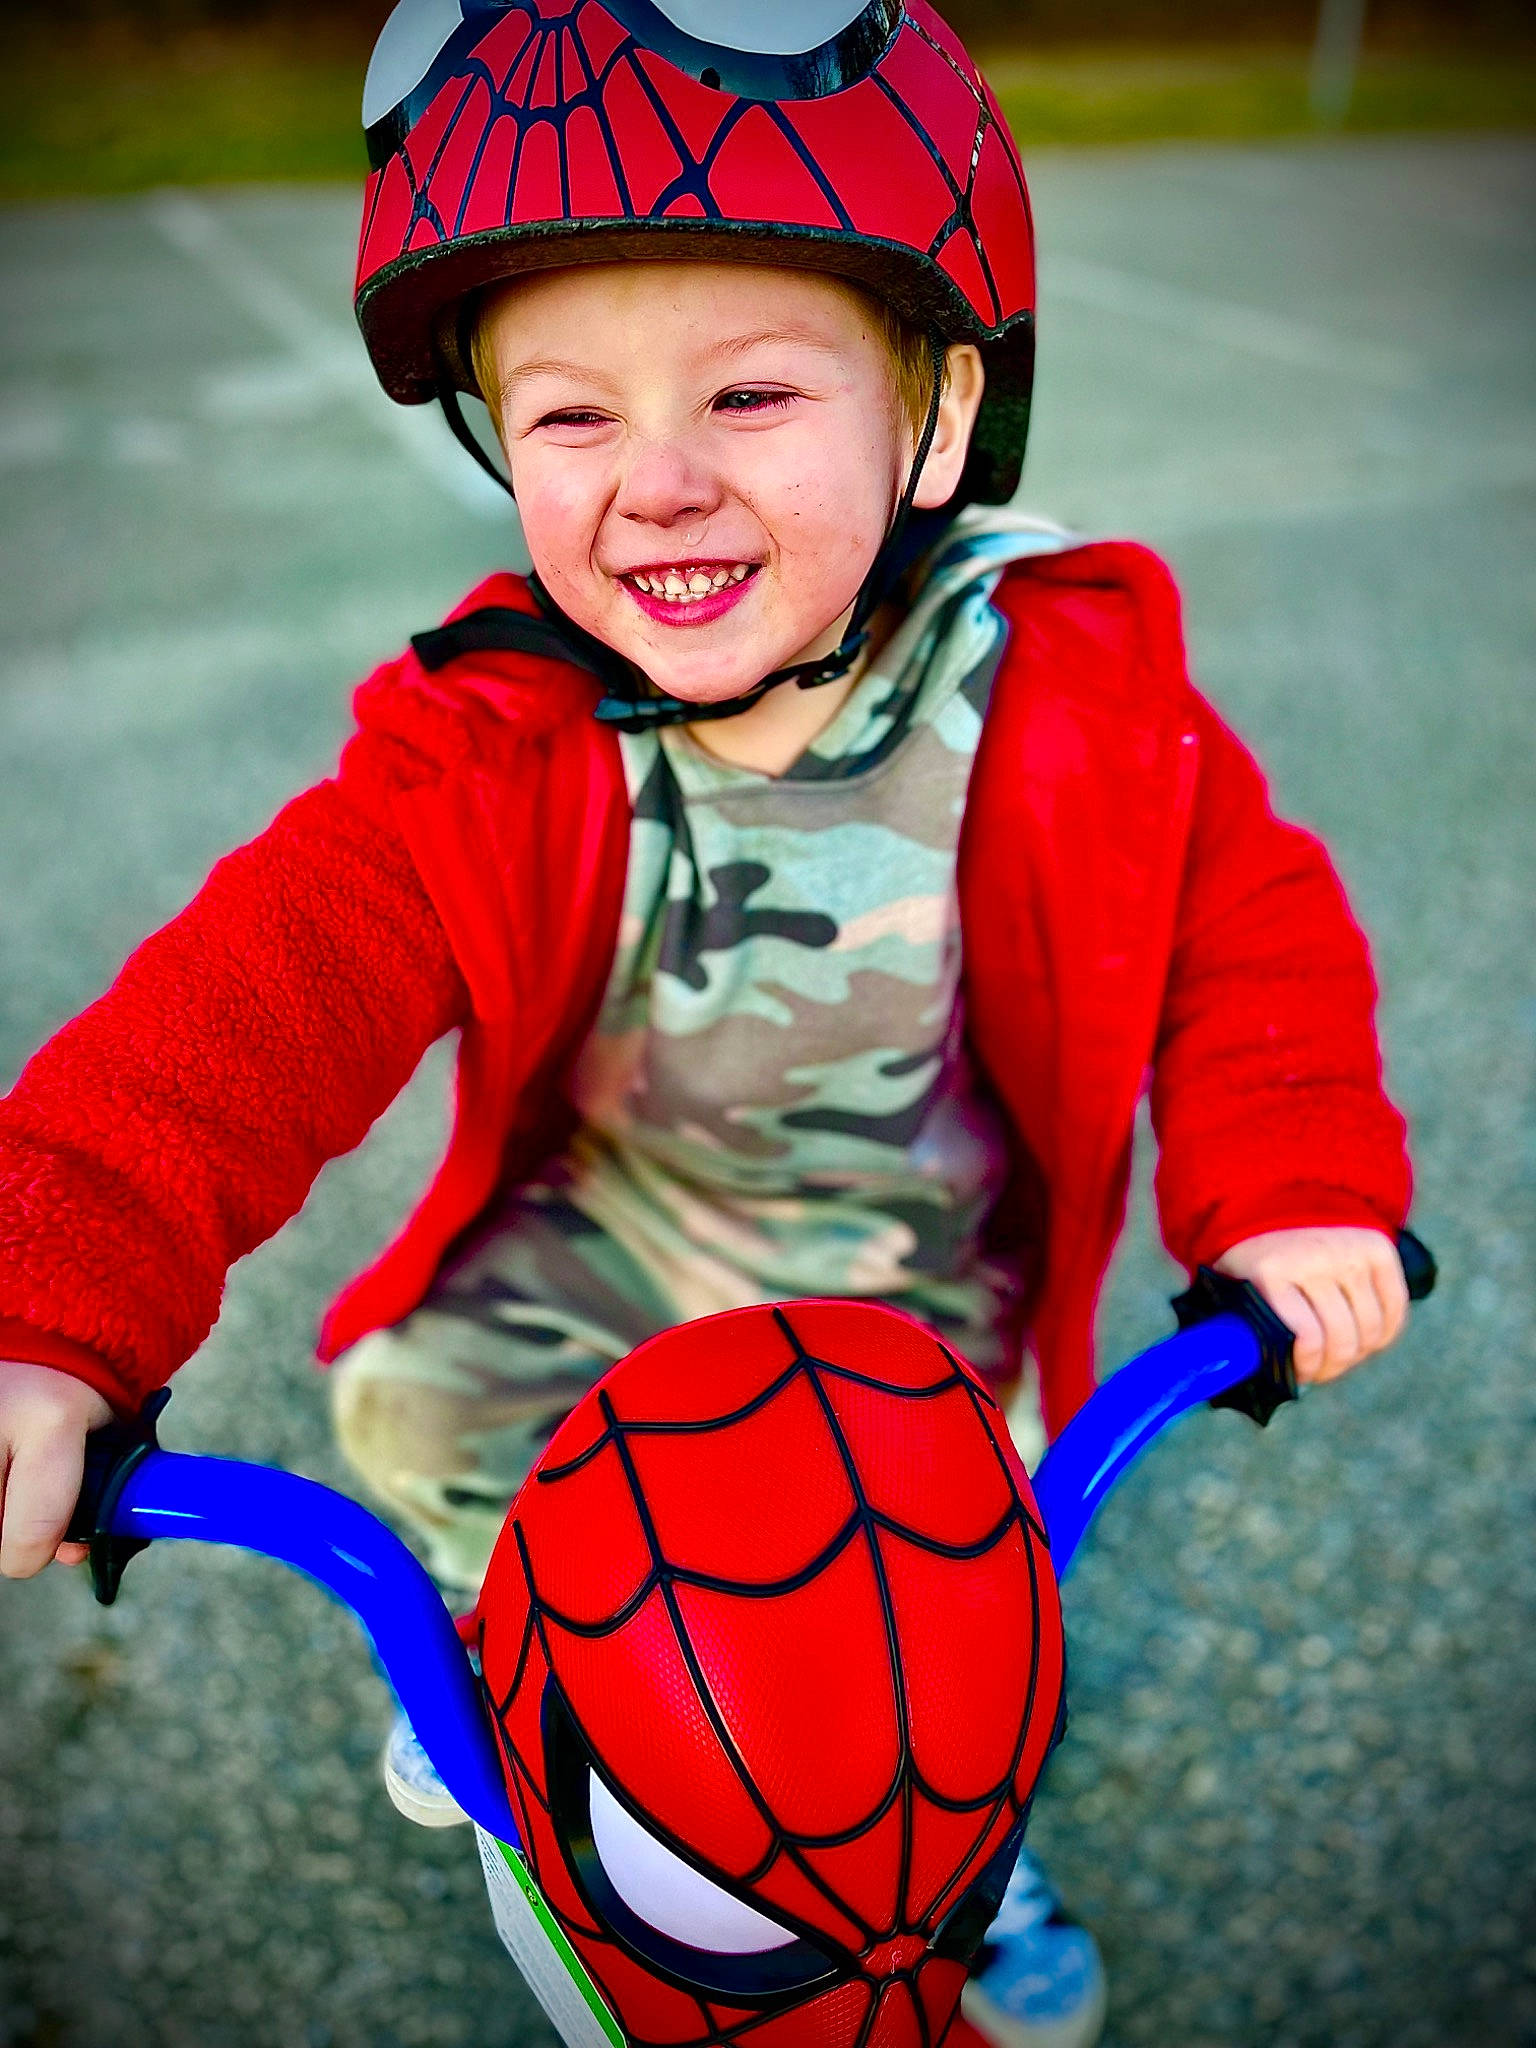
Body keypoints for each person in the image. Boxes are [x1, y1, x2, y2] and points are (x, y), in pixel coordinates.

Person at [0, 5, 1414, 2044]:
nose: (656, 484)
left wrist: (1293, 1190)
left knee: (932, 1648)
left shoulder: (1074, 701)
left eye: (750, 392)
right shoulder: (492, 747)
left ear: (936, 418)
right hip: (604, 1256)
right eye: (569, 419)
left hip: (921, 1301)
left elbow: (1248, 922)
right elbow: (255, 994)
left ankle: (965, 1859)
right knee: (421, 1413)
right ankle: (525, 1683)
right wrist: (57, 1288)